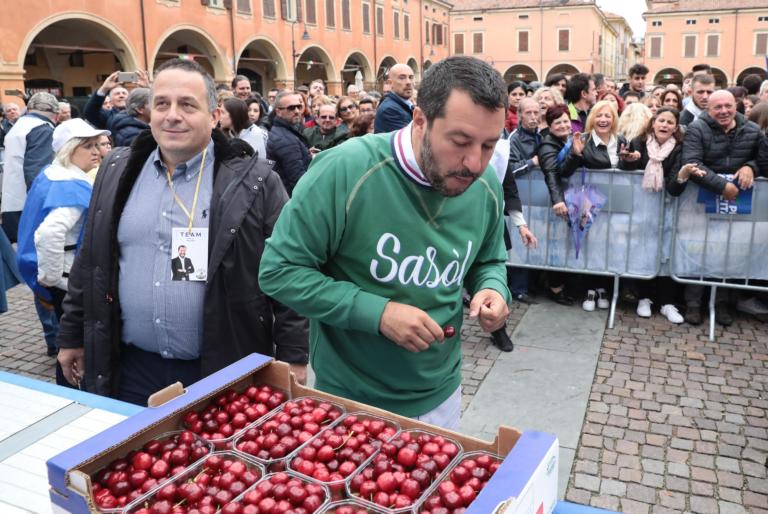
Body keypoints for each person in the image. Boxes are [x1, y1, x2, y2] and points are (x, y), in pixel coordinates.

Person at [259, 56, 511, 429]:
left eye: (489, 145)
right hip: (348, 397)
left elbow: (489, 258)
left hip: (442, 391)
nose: (474, 163)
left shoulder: (486, 184)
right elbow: (278, 272)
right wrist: (379, 315)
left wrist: (493, 288)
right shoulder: (344, 169)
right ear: (420, 120)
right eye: (460, 142)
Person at [56, 58, 309, 404]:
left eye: (187, 105)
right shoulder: (116, 169)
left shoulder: (255, 180)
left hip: (223, 371)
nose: (172, 115)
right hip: (131, 369)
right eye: (162, 104)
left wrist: (294, 357)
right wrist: (71, 334)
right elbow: (91, 259)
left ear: (214, 114)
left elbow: (290, 269)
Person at [16, 119, 108, 363]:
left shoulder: (52, 174)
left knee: (69, 346)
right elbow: (49, 233)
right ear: (69, 148)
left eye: (96, 145)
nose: (97, 151)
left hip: (62, 280)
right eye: (87, 146)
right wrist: (55, 279)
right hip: (69, 282)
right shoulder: (70, 184)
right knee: (76, 350)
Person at [681, 90, 762, 325]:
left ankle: (721, 303)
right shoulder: (697, 128)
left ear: (735, 105)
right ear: (709, 110)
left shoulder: (752, 130)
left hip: (737, 204)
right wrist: (722, 186)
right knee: (698, 250)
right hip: (700, 200)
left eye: (728, 106)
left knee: (729, 252)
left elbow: (763, 160)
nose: (724, 111)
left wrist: (750, 167)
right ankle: (694, 304)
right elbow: (692, 162)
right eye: (718, 107)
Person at [619, 107, 704, 324]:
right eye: (661, 121)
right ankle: (644, 297)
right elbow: (625, 169)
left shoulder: (679, 148)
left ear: (676, 127)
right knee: (644, 251)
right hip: (642, 211)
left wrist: (682, 175)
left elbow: (675, 188)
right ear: (653, 123)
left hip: (670, 211)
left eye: (670, 122)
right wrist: (631, 160)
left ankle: (667, 302)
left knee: (668, 254)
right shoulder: (638, 142)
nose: (664, 125)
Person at [537, 104, 581, 306]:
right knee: (554, 244)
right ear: (550, 125)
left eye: (566, 121)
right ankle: (554, 286)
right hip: (555, 203)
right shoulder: (548, 145)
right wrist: (557, 201)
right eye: (558, 122)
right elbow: (552, 173)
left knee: (565, 243)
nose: (563, 125)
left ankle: (563, 283)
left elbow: (565, 169)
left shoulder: (570, 140)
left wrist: (575, 153)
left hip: (571, 200)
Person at [2, 92, 59, 242]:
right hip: (31, 208)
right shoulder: (42, 129)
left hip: (12, 204)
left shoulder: (19, 126)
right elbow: (38, 174)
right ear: (56, 114)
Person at [505, 97, 542, 307]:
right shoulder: (514, 138)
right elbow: (510, 169)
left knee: (535, 239)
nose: (533, 117)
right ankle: (518, 288)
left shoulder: (542, 136)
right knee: (520, 245)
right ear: (519, 115)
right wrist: (532, 163)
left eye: (537, 112)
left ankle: (532, 284)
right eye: (529, 112)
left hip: (538, 199)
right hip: (519, 199)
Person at [266, 90, 312, 195]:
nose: (296, 111)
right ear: (278, 112)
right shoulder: (284, 139)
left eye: (299, 107)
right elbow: (298, 180)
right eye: (291, 108)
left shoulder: (289, 131)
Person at [374, 63, 415, 133]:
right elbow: (412, 140)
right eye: (402, 78)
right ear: (390, 83)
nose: (408, 82)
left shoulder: (404, 104)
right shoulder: (389, 110)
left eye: (411, 77)